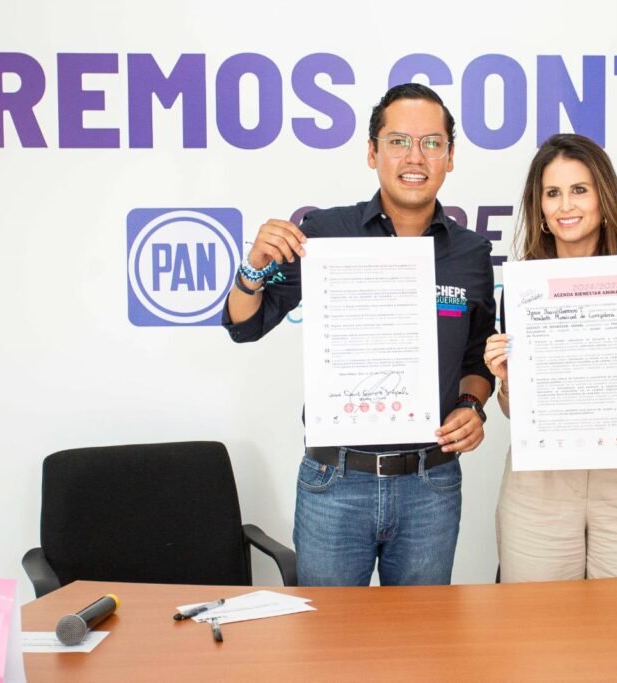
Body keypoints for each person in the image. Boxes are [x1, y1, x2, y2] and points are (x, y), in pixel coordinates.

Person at [222, 83, 496, 586]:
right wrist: (255, 265)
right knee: (326, 633)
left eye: (432, 143)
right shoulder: (325, 234)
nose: (415, 157)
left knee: (419, 634)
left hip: (431, 483)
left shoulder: (471, 253)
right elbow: (245, 324)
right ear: (372, 152)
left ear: (451, 156)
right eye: (398, 141)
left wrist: (472, 407)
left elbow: (477, 360)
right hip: (336, 482)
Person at [483, 133, 617, 582]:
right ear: (539, 206)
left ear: (603, 196)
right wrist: (508, 381)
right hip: (541, 478)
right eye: (552, 193)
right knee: (539, 619)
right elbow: (512, 410)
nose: (565, 206)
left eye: (579, 190)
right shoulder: (523, 284)